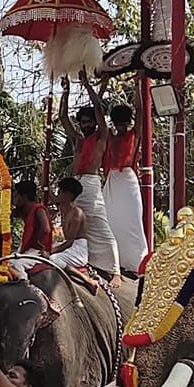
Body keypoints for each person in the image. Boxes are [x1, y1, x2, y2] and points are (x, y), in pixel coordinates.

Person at [65, 102, 119, 275]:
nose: (86, 125)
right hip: (76, 183)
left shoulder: (101, 136)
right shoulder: (78, 141)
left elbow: (100, 110)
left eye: (90, 122)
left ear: (96, 122)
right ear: (79, 123)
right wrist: (65, 91)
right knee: (79, 226)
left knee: (100, 224)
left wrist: (88, 85)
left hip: (91, 182)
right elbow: (62, 117)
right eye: (83, 122)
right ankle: (86, 261)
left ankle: (115, 270)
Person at [103, 102, 147, 275]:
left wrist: (138, 86)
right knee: (111, 220)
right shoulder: (109, 137)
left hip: (128, 180)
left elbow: (141, 112)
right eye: (118, 123)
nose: (120, 126)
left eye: (124, 123)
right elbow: (99, 114)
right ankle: (115, 261)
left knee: (132, 221)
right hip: (112, 180)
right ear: (114, 122)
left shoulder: (135, 134)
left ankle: (137, 262)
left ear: (128, 122)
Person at [51, 174, 92, 269]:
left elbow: (70, 242)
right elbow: (51, 197)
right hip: (67, 246)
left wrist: (51, 251)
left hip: (77, 250)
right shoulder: (63, 208)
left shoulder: (77, 213)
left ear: (68, 195)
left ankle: (86, 279)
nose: (58, 194)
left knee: (52, 259)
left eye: (61, 192)